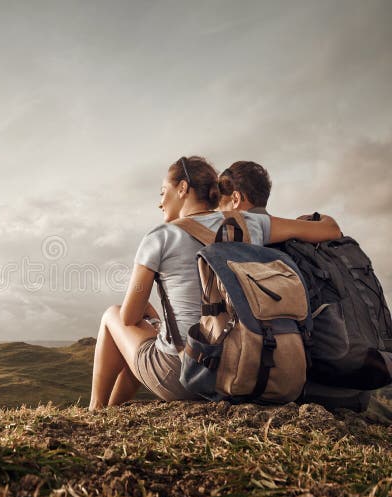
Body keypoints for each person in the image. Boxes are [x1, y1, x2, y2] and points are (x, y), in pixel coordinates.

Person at [88, 156, 342, 410]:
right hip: (239, 367)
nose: (160, 202)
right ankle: (109, 412)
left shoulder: (160, 237)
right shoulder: (250, 223)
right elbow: (330, 230)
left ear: (183, 188)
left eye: (163, 192)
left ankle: (94, 409)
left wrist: (151, 319)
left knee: (112, 315)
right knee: (150, 331)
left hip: (185, 375)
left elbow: (129, 318)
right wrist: (322, 218)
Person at [217, 160, 370, 410]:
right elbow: (332, 229)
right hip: (334, 379)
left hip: (270, 373)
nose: (216, 212)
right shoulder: (285, 229)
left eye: (219, 203)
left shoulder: (241, 225)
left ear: (235, 198)